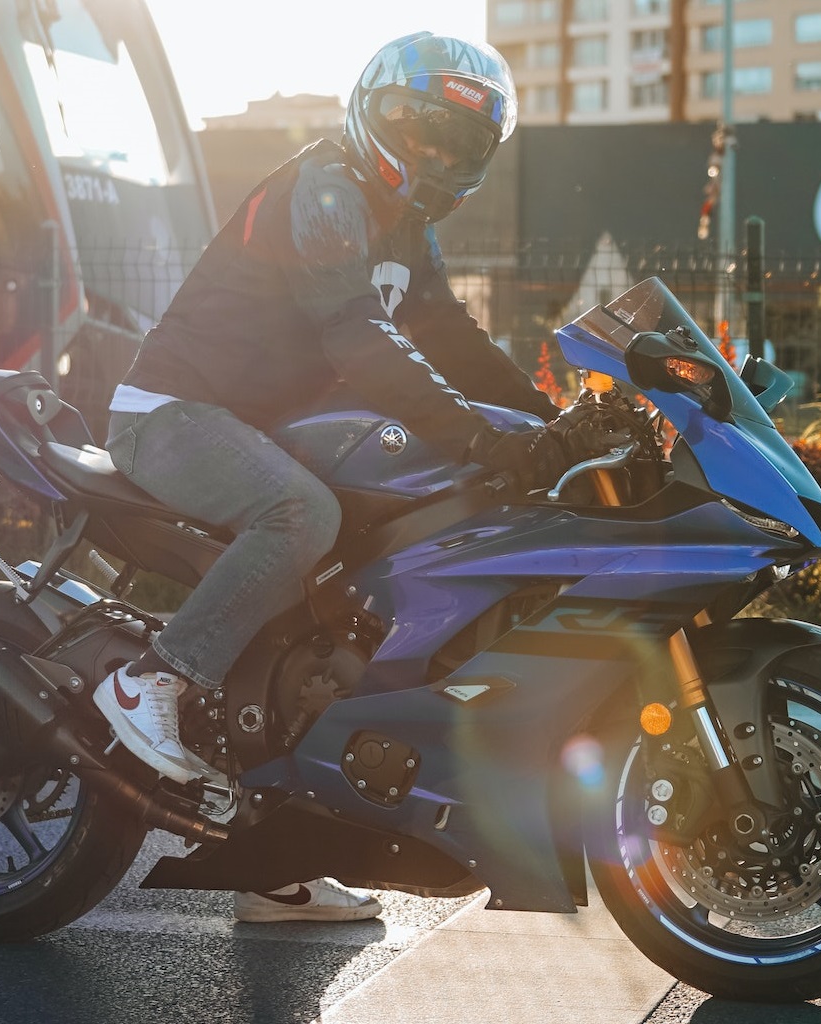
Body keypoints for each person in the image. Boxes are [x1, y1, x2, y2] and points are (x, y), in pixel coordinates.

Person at [93, 31, 565, 923]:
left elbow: (450, 339)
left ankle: (267, 865)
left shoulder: (406, 224)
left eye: (455, 147)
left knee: (352, 583)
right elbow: (358, 337)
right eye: (420, 131)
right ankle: (154, 678)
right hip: (172, 416)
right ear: (376, 111)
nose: (432, 155)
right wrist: (476, 435)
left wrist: (543, 427)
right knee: (298, 515)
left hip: (261, 430)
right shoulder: (324, 191)